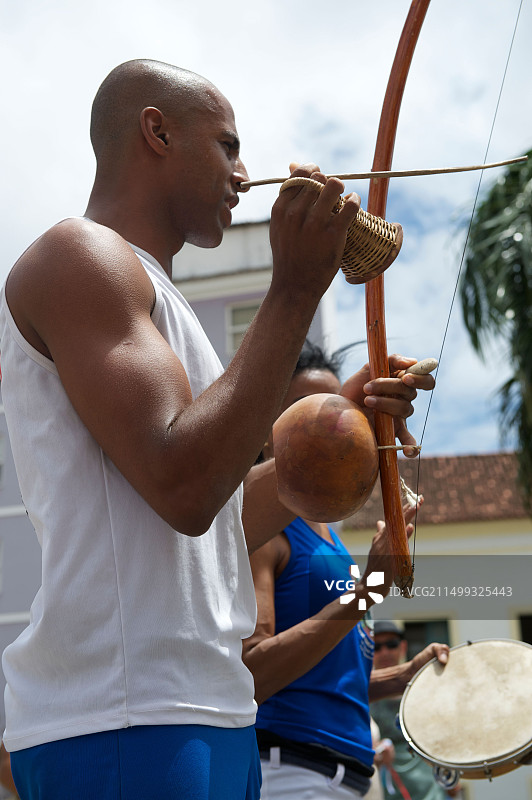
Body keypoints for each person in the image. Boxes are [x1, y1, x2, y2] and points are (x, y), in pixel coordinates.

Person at [0, 58, 431, 800]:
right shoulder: (81, 254)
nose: (244, 171)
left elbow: (220, 520)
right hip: (126, 716)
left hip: (206, 714)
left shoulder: (160, 303)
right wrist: (294, 289)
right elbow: (185, 485)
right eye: (228, 146)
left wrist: (345, 423)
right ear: (156, 131)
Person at [242, 342, 448, 799]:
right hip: (294, 771)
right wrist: (368, 591)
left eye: (340, 409)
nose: (334, 423)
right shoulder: (265, 536)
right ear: (265, 432)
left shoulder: (328, 537)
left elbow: (321, 676)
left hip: (345, 776)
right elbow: (251, 674)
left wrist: (402, 676)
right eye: (307, 410)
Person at [371, 621, 461, 800]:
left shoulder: (424, 690)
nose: (385, 652)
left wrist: (453, 774)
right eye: (376, 646)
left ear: (403, 646)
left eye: (391, 644)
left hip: (432, 789)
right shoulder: (361, 695)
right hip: (384, 790)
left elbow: (444, 738)